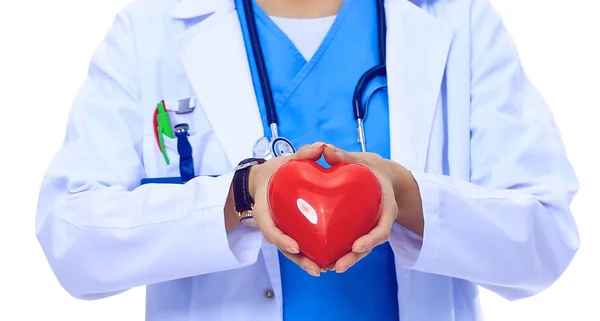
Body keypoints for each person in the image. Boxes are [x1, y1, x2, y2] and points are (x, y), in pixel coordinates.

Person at [35, 0, 580, 320]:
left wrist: (407, 196)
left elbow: (545, 239)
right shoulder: (153, 27)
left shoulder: (456, 19)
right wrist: (238, 197)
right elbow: (72, 240)